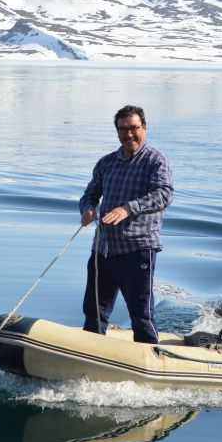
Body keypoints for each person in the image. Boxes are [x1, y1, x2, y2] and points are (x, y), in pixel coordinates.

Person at [79, 105, 173, 344]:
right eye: (123, 129)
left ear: (144, 128)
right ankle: (89, 358)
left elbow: (164, 195)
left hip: (138, 250)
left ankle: (151, 362)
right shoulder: (106, 162)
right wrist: (88, 208)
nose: (129, 134)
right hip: (103, 250)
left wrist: (127, 208)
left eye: (134, 128)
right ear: (117, 132)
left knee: (141, 317)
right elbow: (89, 194)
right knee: (93, 314)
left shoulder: (155, 161)